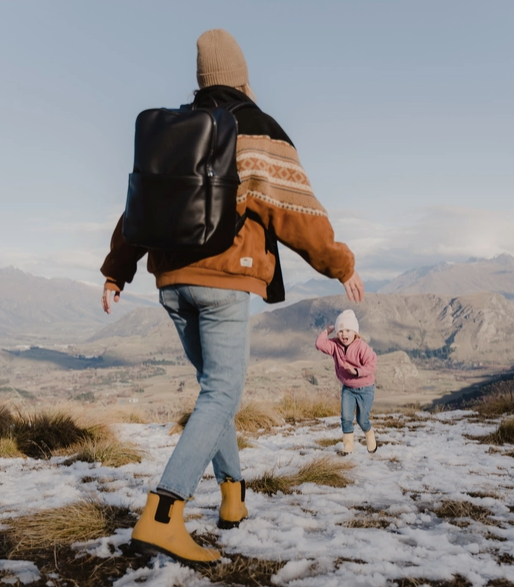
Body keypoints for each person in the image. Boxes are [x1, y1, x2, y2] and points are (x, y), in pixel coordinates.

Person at [101, 29, 364, 565]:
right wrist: (340, 264)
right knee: (223, 393)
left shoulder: (175, 132)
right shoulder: (254, 128)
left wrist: (116, 270)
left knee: (211, 391)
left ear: (200, 79)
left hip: (170, 282)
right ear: (243, 76)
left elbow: (138, 207)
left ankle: (233, 498)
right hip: (224, 280)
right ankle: (163, 513)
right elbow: (295, 213)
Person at [315, 309, 377, 456]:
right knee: (346, 418)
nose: (344, 334)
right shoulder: (335, 345)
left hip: (365, 388)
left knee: (362, 420)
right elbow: (319, 344)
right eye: (341, 331)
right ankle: (348, 447)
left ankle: (370, 434)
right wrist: (326, 331)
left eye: (348, 330)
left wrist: (356, 371)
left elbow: (372, 364)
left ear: (355, 332)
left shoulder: (361, 346)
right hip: (348, 388)